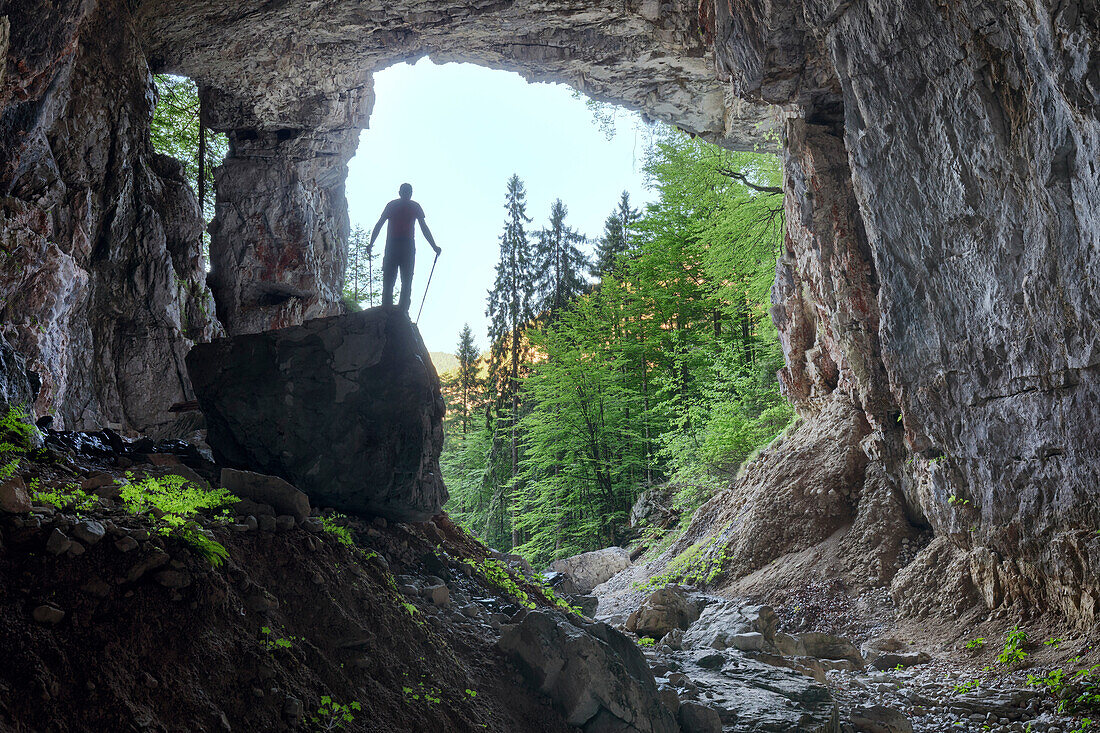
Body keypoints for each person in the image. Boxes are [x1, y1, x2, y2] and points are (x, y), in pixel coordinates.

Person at [368, 183, 441, 312]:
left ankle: (390, 310)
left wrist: (371, 243)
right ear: (402, 192)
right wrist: (434, 246)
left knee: (393, 279)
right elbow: (424, 228)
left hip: (394, 244)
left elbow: (379, 224)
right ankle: (400, 311)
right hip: (404, 245)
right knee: (404, 280)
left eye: (408, 191)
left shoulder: (393, 205)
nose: (408, 194)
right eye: (407, 191)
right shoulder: (414, 206)